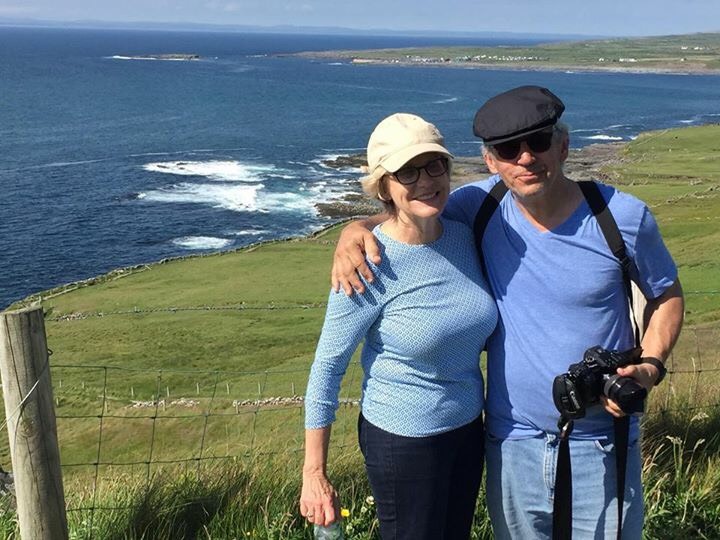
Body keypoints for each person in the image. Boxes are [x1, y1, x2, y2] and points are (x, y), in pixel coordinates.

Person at [331, 86, 684, 539]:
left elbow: (666, 295)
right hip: (511, 443)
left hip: (601, 441)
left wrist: (651, 365)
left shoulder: (622, 218)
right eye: (506, 149)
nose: (525, 158)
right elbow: (410, 213)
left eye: (538, 142)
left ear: (563, 145)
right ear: (490, 160)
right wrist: (355, 229)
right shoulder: (478, 207)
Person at [300, 112, 498, 540]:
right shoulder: (367, 263)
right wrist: (314, 474)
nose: (426, 179)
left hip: (467, 430)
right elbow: (327, 368)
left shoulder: (465, 237)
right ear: (383, 186)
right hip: (403, 438)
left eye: (435, 164)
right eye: (407, 171)